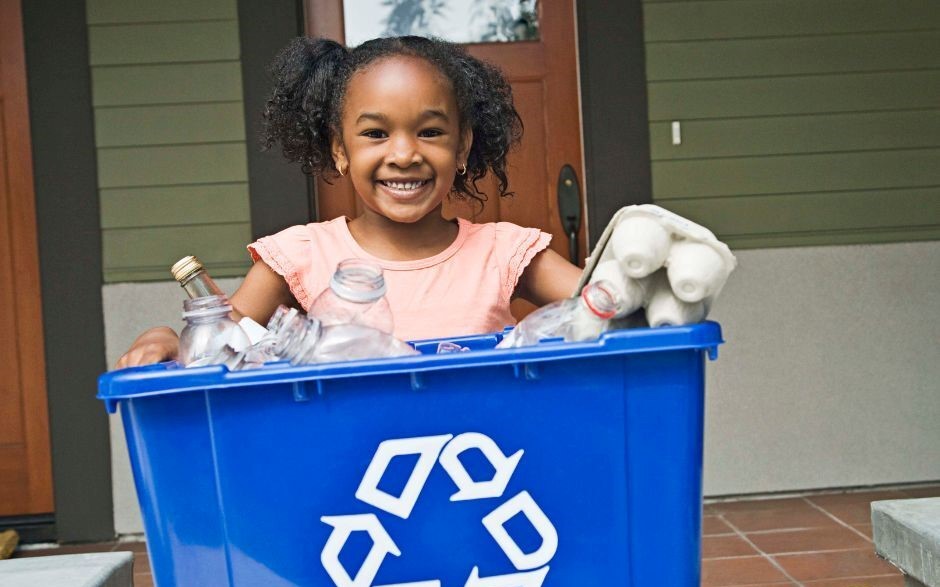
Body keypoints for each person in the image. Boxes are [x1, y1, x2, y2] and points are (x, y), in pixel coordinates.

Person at [116, 35, 581, 368]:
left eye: (431, 132)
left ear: (461, 148)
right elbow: (221, 340)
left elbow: (610, 305)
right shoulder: (301, 255)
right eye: (376, 134)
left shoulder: (505, 253)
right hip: (346, 479)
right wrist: (164, 338)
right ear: (340, 149)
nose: (403, 154)